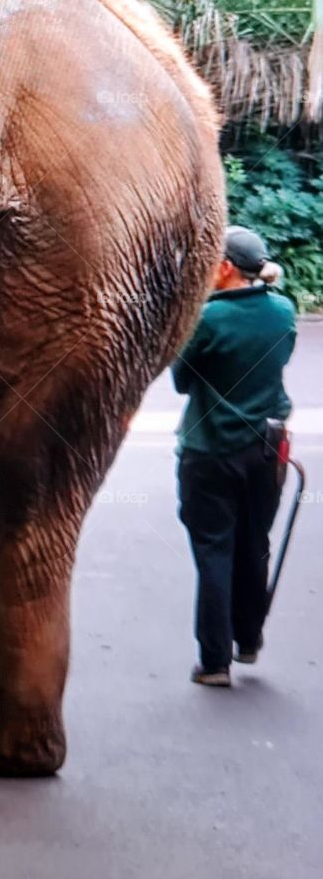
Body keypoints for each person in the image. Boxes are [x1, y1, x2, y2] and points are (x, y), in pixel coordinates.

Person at [172, 225, 296, 687]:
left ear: (225, 268)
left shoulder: (207, 318)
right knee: (254, 542)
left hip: (209, 451)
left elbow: (182, 380)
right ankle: (248, 638)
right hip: (266, 449)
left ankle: (214, 661)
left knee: (214, 550)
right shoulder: (283, 311)